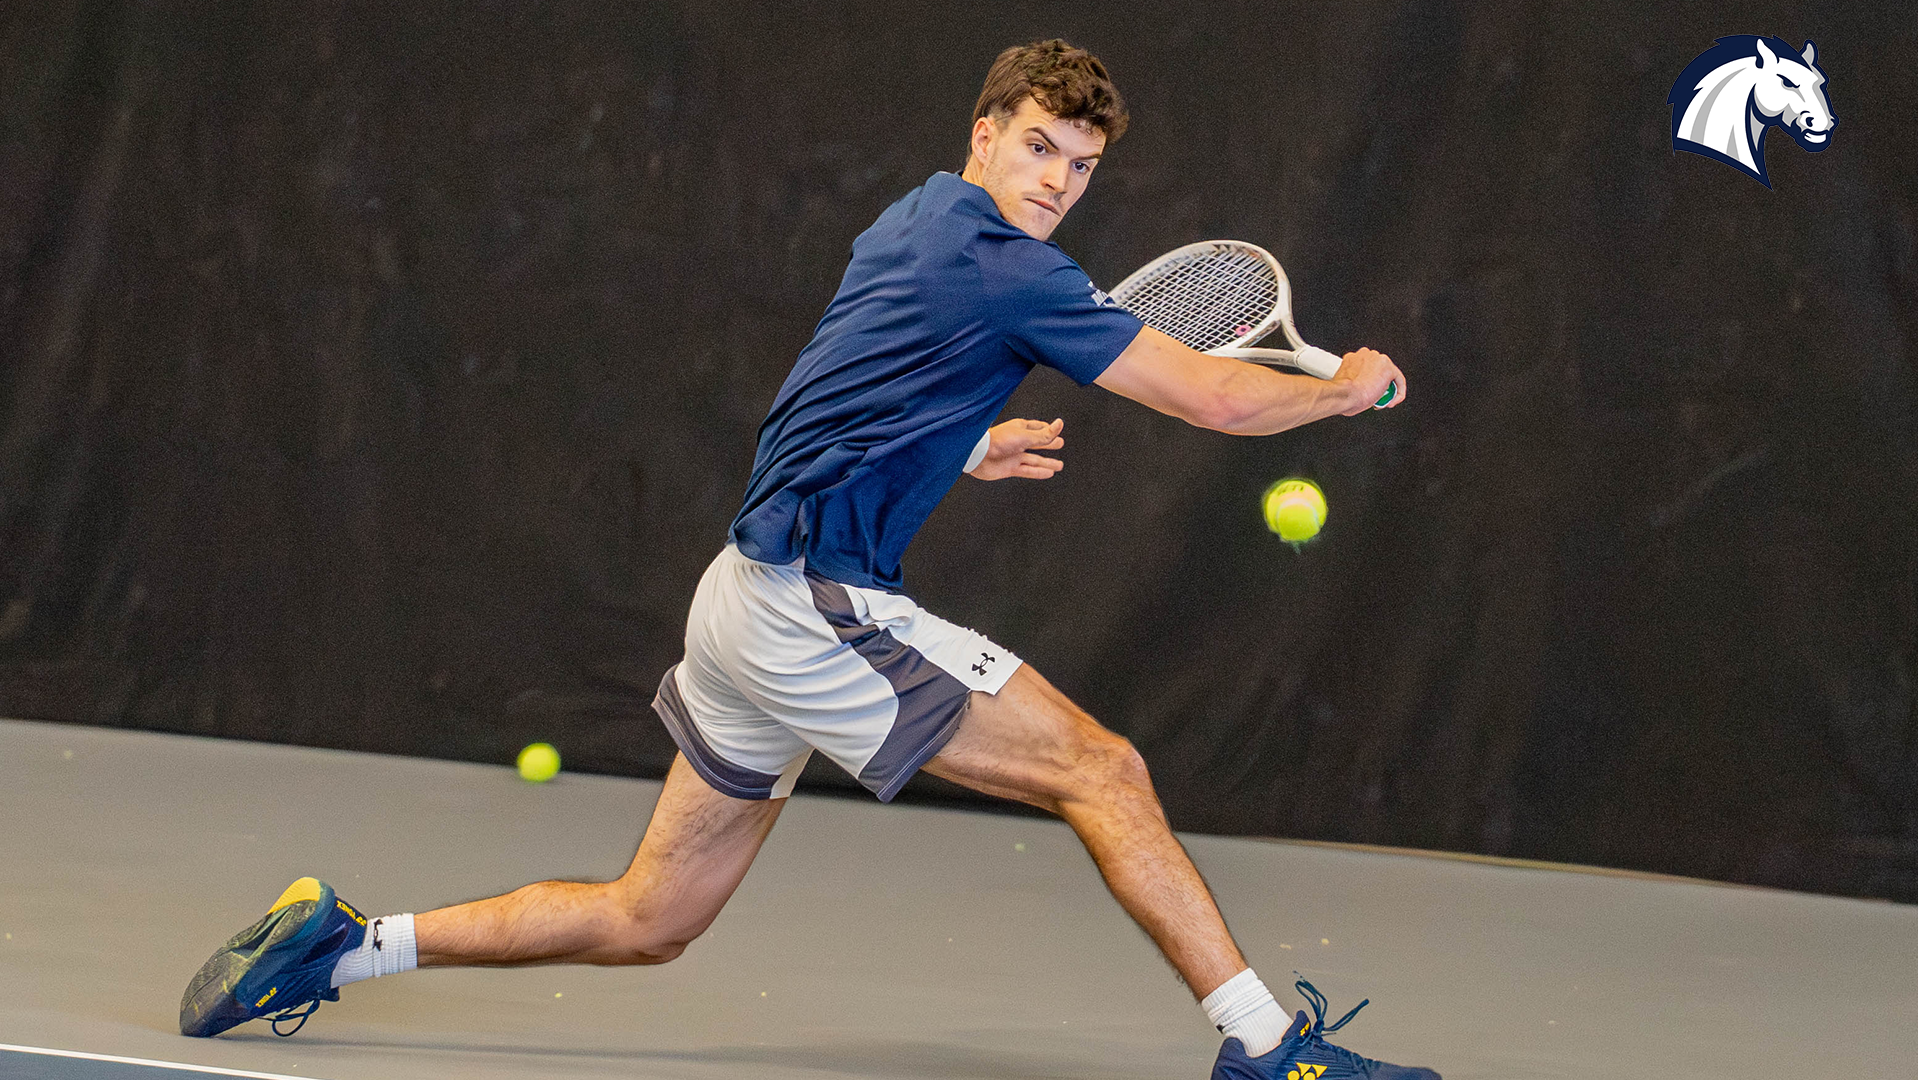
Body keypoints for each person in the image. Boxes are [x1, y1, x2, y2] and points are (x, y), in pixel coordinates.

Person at [179, 39, 1434, 1080]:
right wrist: (1344, 394)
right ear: (986, 132)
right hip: (805, 611)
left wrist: (953, 450)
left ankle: (340, 947)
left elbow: (835, 399)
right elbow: (1216, 401)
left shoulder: (912, 220)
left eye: (1082, 166)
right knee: (1104, 771)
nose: (1057, 181)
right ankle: (1269, 1051)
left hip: (736, 600)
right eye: (1038, 146)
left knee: (648, 918)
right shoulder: (1011, 269)